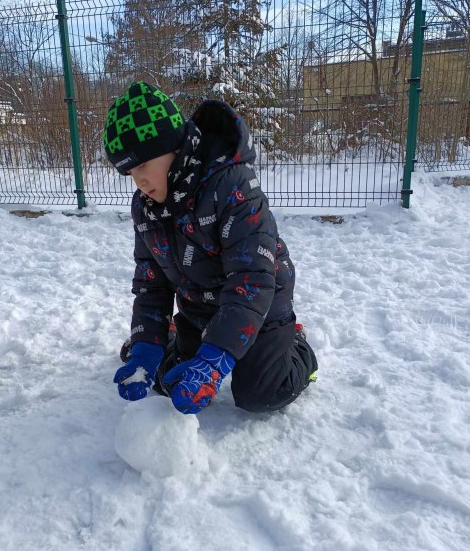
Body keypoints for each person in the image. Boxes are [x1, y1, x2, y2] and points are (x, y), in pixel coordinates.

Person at [104, 80, 317, 415]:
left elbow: (252, 279)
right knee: (169, 382)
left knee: (261, 395)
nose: (138, 181)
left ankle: (295, 345)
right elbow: (152, 284)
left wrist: (215, 358)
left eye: (143, 165)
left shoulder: (232, 187)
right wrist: (146, 347)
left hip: (260, 304)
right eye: (129, 172)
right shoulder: (145, 206)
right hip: (199, 306)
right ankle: (176, 338)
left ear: (173, 148)